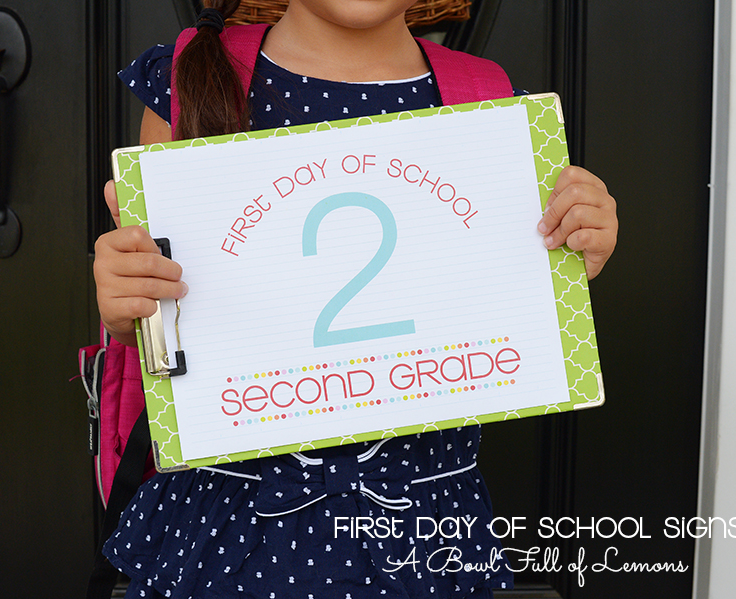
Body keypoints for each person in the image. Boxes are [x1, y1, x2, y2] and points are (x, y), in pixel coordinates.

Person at [93, 1, 618, 597]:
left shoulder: (489, 102)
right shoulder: (190, 79)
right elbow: (157, 311)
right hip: (227, 531)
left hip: (425, 533)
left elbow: (511, 301)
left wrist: (574, 248)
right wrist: (125, 303)